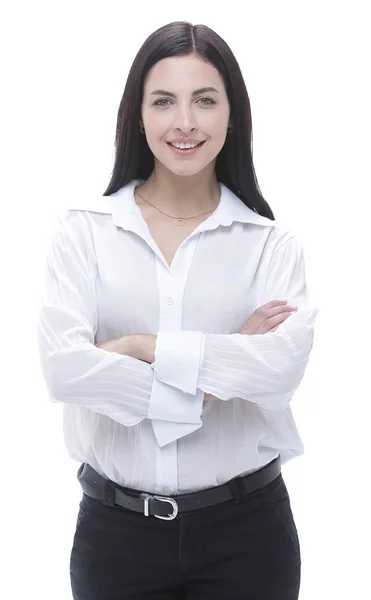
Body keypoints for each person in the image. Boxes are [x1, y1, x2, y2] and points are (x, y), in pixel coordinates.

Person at [36, 20, 318, 600]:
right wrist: (220, 367)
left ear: (231, 114)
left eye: (205, 101)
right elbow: (64, 372)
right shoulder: (84, 233)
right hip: (116, 537)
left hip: (248, 534)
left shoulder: (271, 245)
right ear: (137, 114)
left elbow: (279, 372)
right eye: (164, 101)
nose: (184, 122)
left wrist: (136, 347)